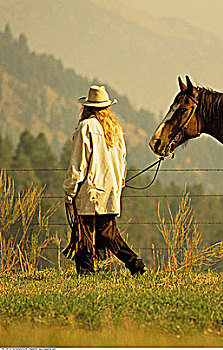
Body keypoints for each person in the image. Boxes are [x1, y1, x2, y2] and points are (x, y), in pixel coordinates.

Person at [62, 85, 146, 275]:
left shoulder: (86, 127)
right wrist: (118, 186)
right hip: (110, 190)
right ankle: (134, 263)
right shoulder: (116, 130)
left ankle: (86, 272)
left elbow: (79, 163)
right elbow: (123, 163)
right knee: (107, 233)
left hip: (90, 189)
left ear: (87, 107)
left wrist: (69, 191)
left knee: (83, 230)